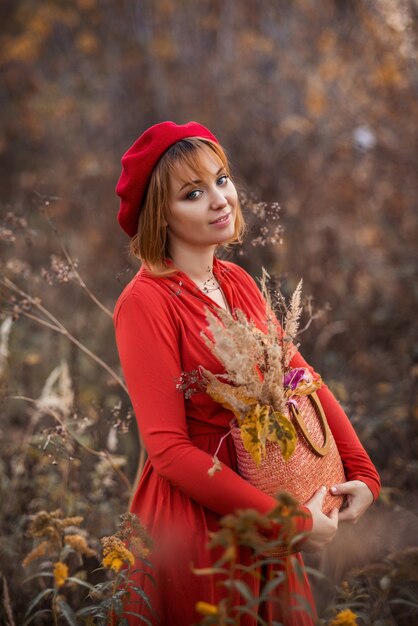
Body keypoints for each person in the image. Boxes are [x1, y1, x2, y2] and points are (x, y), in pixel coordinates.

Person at [113, 121, 380, 625]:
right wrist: (287, 518)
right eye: (193, 193)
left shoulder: (235, 280)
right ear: (160, 215)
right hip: (198, 526)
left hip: (270, 500)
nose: (220, 199)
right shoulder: (144, 303)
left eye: (221, 179)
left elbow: (301, 379)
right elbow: (168, 450)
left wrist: (362, 471)